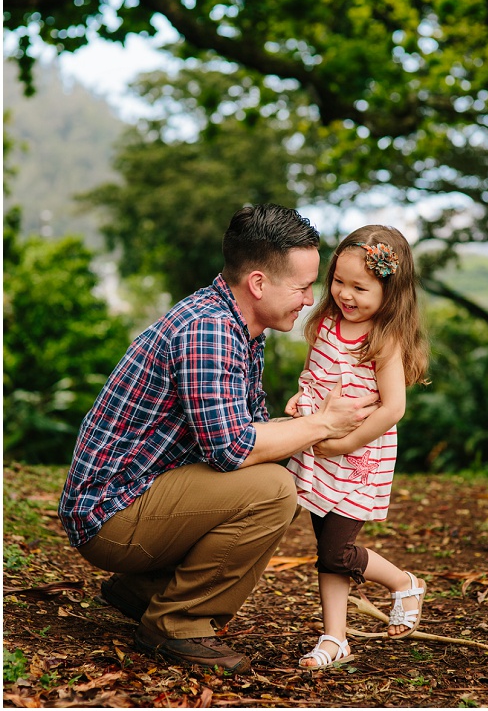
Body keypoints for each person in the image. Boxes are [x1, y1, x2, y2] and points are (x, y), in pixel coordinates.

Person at [57, 203, 366, 675]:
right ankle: (174, 623)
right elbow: (232, 450)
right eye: (303, 287)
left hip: (142, 495)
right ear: (259, 283)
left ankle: (144, 590)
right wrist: (322, 424)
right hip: (110, 515)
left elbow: (250, 432)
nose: (309, 300)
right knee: (273, 491)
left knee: (273, 473)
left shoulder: (240, 327)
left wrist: (305, 423)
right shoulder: (209, 329)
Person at [286, 222, 429, 671]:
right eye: (339, 282)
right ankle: (335, 638)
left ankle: (405, 582)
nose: (346, 295)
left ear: (391, 292)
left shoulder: (384, 340)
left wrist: (346, 441)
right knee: (326, 550)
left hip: (358, 459)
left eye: (360, 287)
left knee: (336, 552)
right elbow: (316, 375)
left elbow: (393, 409)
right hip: (321, 450)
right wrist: (301, 395)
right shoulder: (328, 323)